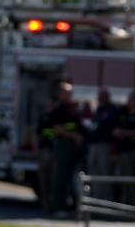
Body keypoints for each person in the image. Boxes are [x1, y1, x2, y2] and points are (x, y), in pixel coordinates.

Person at [49, 83, 84, 215]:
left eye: (71, 93)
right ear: (60, 94)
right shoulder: (59, 108)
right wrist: (75, 136)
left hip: (70, 146)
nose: (70, 95)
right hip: (63, 145)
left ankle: (65, 205)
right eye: (67, 93)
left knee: (68, 177)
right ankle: (59, 207)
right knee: (61, 177)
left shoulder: (69, 109)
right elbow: (59, 129)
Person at [85, 89, 119, 201]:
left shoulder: (112, 111)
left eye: (103, 96)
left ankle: (107, 200)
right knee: (94, 172)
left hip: (105, 146)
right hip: (93, 146)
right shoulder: (98, 111)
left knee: (105, 173)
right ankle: (96, 199)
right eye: (99, 96)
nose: (100, 98)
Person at [112, 93, 135, 206]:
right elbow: (116, 130)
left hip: (132, 151)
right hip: (122, 151)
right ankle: (124, 204)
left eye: (132, 99)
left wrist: (124, 133)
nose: (129, 101)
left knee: (132, 180)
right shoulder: (124, 114)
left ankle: (134, 205)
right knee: (123, 179)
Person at [35, 95, 56, 213]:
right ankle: (45, 204)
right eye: (48, 105)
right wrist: (36, 150)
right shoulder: (43, 118)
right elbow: (36, 135)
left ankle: (53, 204)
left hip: (54, 152)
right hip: (44, 151)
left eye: (51, 105)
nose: (49, 107)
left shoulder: (58, 118)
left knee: (53, 180)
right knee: (43, 180)